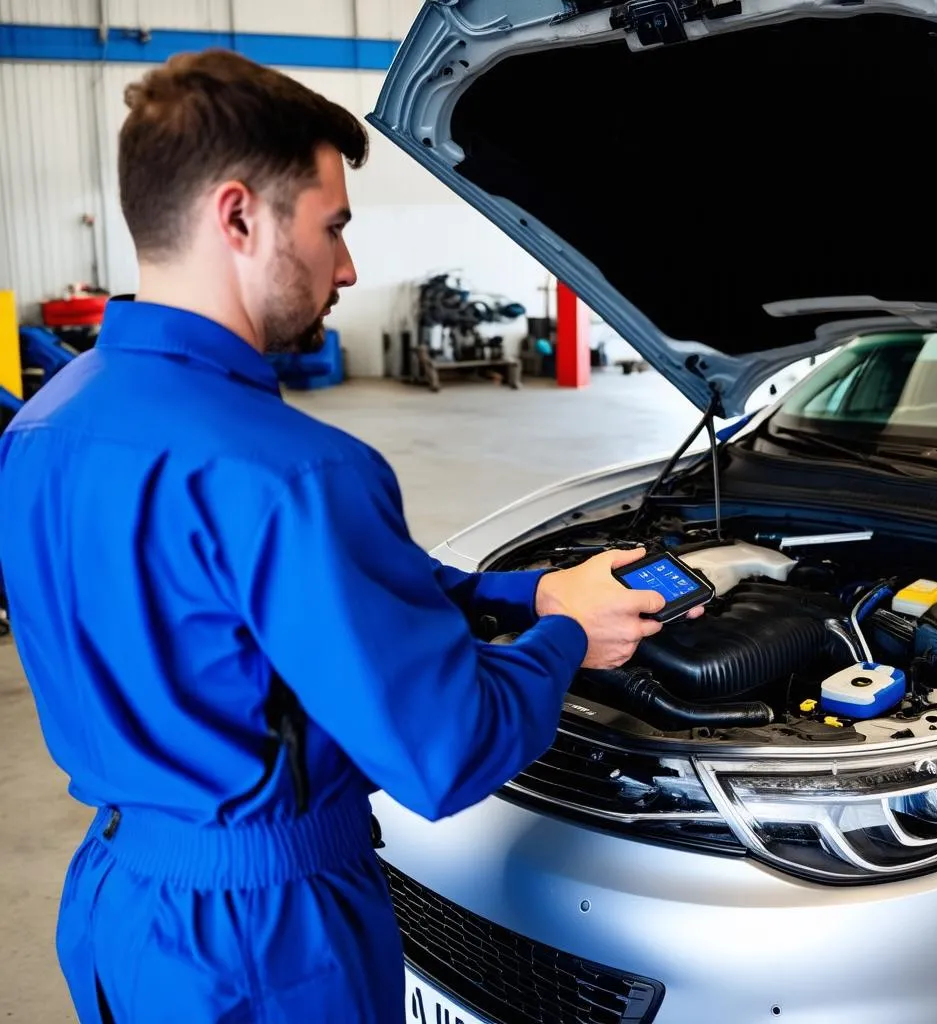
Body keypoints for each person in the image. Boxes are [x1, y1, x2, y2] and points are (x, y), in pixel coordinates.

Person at [0, 50, 700, 1023]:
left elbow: (285, 595)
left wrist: (526, 594)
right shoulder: (293, 469)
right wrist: (568, 636)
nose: (348, 267)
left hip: (116, 908)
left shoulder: (44, 424)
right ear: (238, 215)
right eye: (331, 227)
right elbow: (447, 749)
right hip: (266, 944)